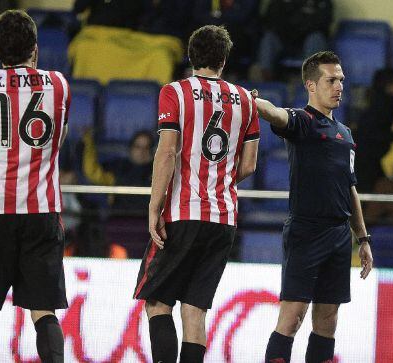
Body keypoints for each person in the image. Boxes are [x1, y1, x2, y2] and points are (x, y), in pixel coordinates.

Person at [132, 25, 260, 363]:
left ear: (190, 56)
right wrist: (217, 181)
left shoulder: (175, 91)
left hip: (183, 213)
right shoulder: (247, 99)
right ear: (224, 59)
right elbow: (249, 166)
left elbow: (167, 152)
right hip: (223, 218)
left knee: (158, 302)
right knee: (195, 311)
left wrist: (154, 206)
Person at [0, 10, 71, 362]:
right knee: (44, 311)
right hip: (42, 210)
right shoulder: (58, 84)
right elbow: (59, 137)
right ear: (34, 50)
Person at [252, 51, 373, 363]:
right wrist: (253, 101)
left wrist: (363, 239)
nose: (339, 86)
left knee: (328, 321)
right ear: (311, 85)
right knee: (292, 317)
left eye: (341, 80)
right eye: (331, 80)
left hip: (338, 236)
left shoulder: (345, 133)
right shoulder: (302, 122)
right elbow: (275, 114)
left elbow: (350, 188)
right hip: (307, 232)